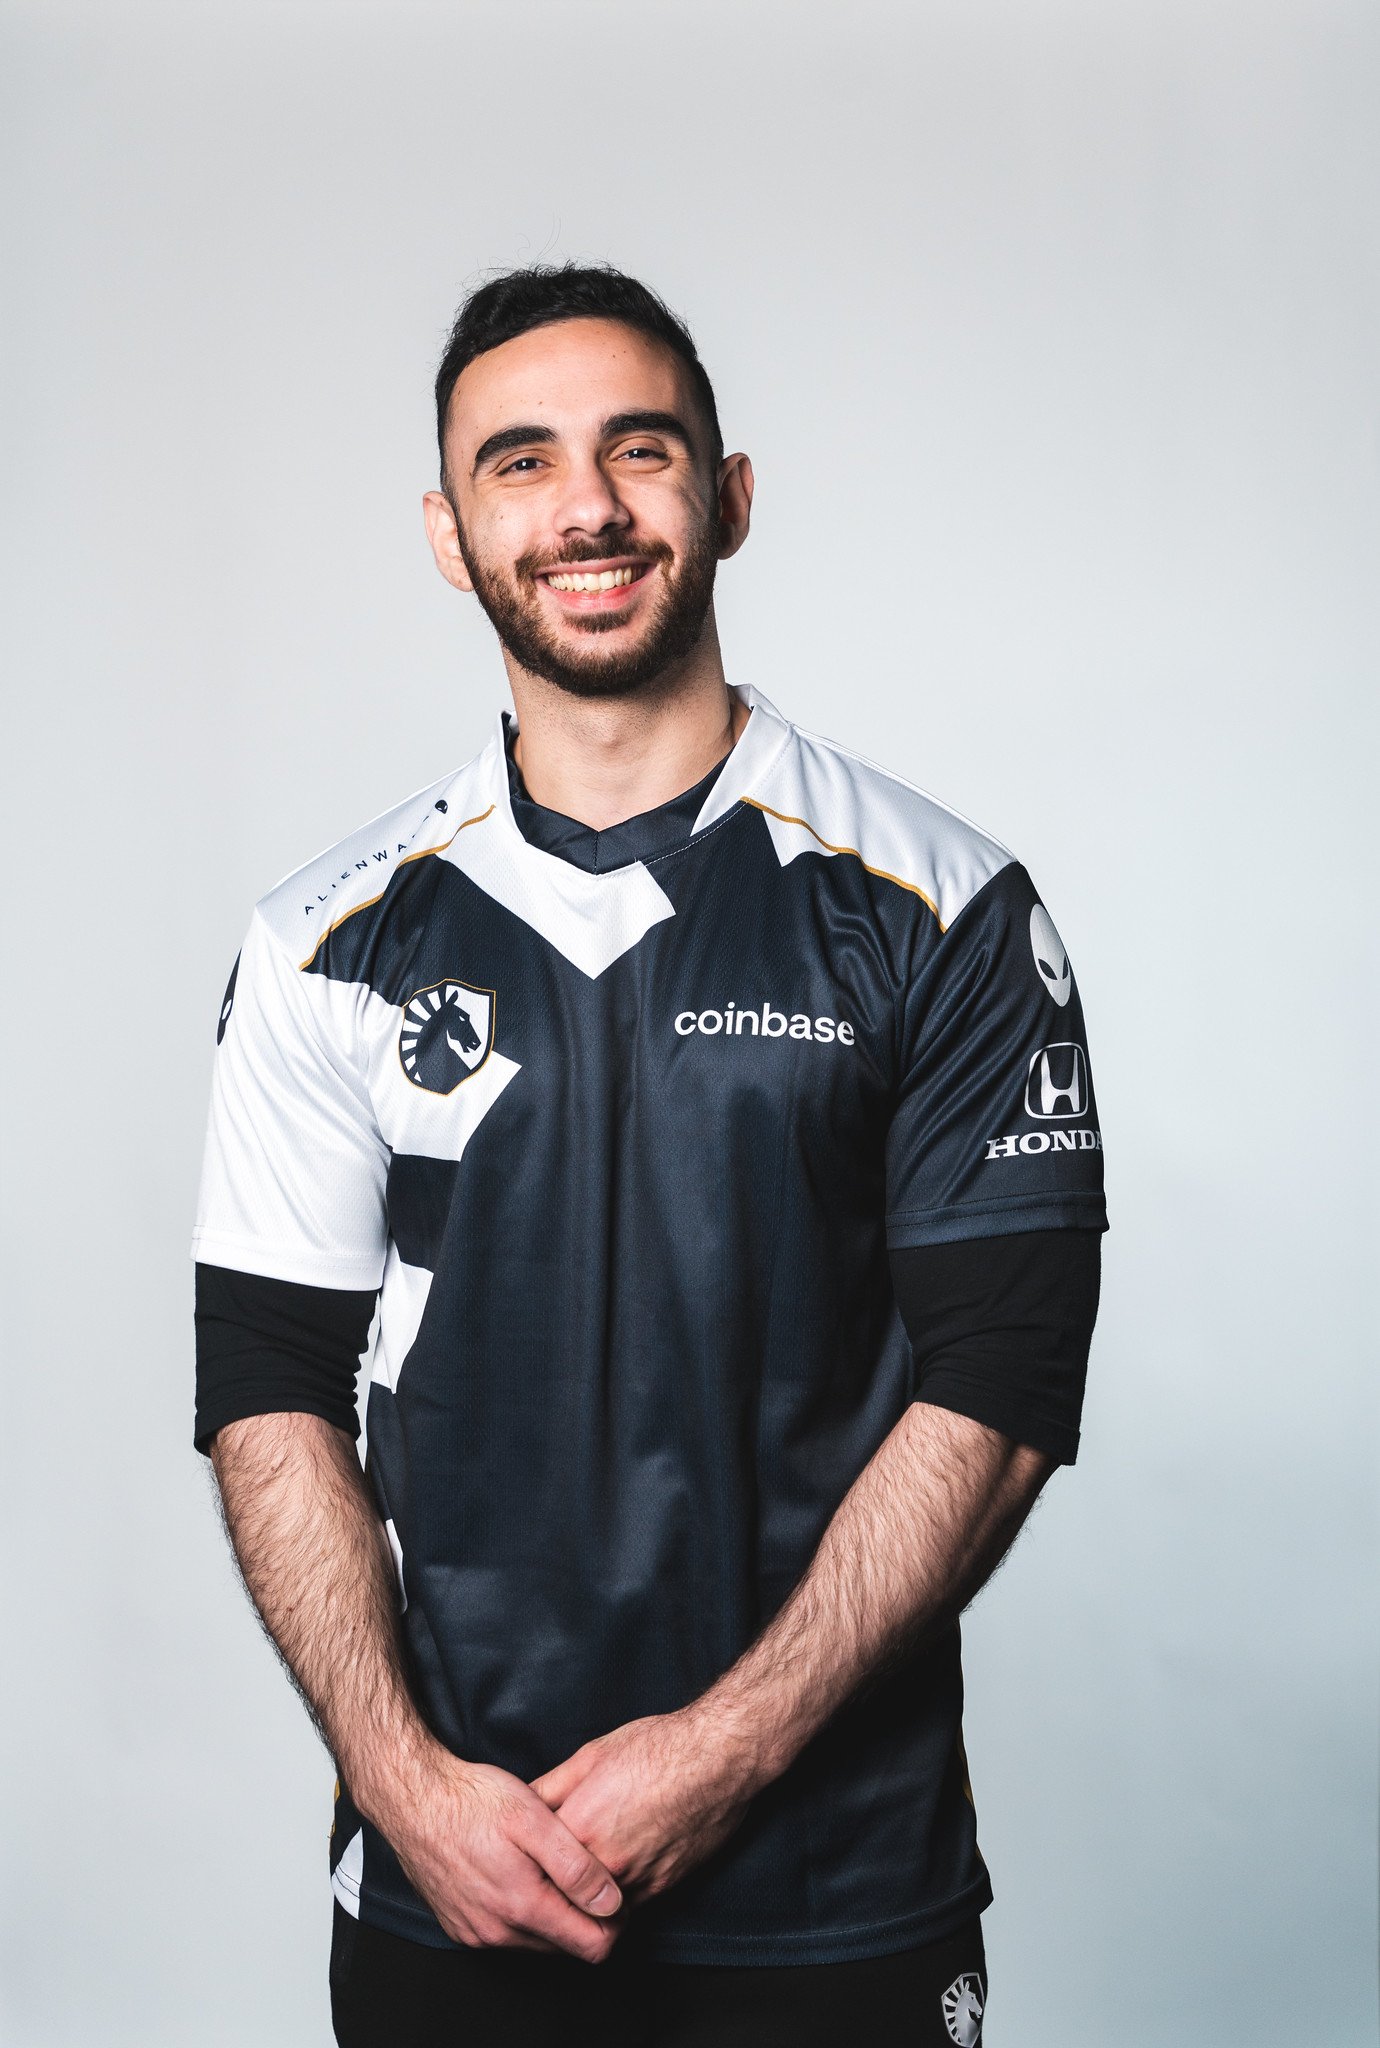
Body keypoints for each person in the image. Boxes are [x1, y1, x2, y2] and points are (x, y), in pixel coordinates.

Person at [192, 263, 1106, 2048]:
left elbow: (1000, 1388)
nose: (588, 507)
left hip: (837, 1886)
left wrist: (728, 1750)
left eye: (641, 449)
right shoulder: (321, 943)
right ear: (452, 536)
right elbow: (267, 1389)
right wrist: (406, 1788)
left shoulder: (944, 907)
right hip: (453, 1880)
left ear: (730, 497)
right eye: (521, 463)